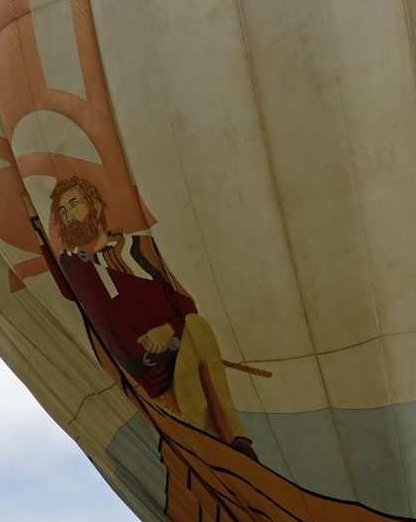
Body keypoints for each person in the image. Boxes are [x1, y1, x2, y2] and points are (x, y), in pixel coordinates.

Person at [35, 178, 258, 458]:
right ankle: (222, 457)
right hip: (148, 386)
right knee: (196, 430)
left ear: (93, 204)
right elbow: (67, 291)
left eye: (73, 204)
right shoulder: (73, 266)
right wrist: (35, 224)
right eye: (63, 212)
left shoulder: (138, 249)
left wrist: (167, 330)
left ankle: (238, 442)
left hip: (181, 363)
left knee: (198, 329)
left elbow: (186, 305)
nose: (69, 216)